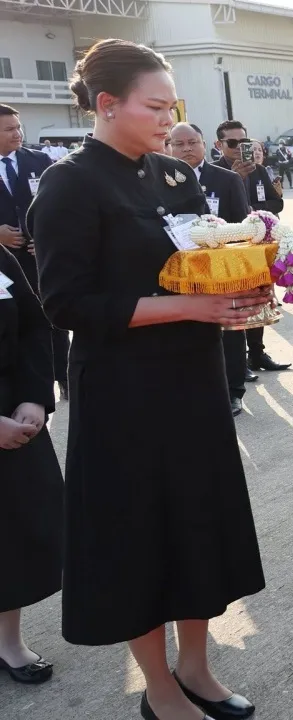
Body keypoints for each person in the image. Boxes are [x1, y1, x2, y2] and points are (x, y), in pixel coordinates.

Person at [28, 38, 266, 720]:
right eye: (155, 106)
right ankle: (159, 688)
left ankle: (197, 666)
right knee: (141, 536)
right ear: (107, 105)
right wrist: (192, 307)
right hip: (124, 393)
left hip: (191, 379)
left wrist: (238, 288)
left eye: (173, 106)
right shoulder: (70, 184)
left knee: (198, 522)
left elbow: (199, 261)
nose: (169, 119)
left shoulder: (174, 177)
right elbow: (65, 304)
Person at [0, 246, 62, 686]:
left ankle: (7, 641)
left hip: (12, 415)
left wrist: (33, 396)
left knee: (15, 535)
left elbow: (34, 326)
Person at [169, 121, 255, 416]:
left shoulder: (226, 179)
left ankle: (234, 391)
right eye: (178, 144)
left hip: (222, 270)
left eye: (192, 142)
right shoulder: (160, 179)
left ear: (205, 144)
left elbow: (243, 228)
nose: (186, 149)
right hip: (180, 272)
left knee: (230, 330)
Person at [0, 104, 68, 400]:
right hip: (5, 263)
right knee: (17, 319)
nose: (18, 133)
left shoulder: (41, 162)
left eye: (19, 127)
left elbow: (59, 207)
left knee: (55, 315)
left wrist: (45, 237)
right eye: (9, 129)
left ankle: (64, 377)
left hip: (39, 254)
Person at [214, 120, 290, 375]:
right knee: (237, 304)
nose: (239, 148)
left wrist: (258, 216)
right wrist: (236, 179)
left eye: (244, 142)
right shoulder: (216, 174)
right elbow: (213, 213)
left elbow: (276, 204)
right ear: (219, 145)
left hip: (257, 245)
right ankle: (237, 362)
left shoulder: (258, 171)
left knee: (258, 300)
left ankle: (257, 355)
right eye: (232, 143)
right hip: (229, 247)